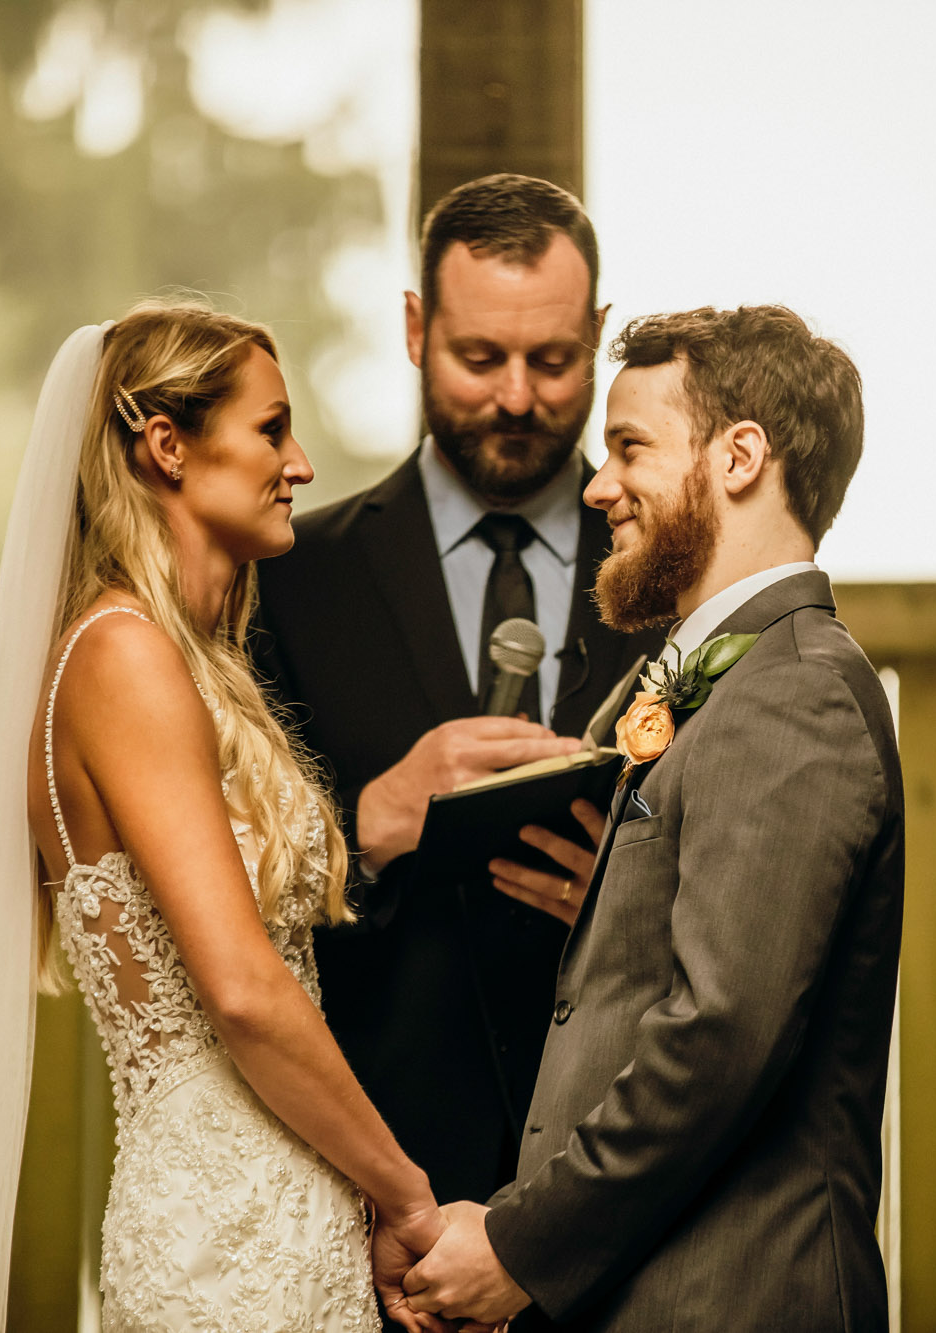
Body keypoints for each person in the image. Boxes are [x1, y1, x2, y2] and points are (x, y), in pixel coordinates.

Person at [0, 302, 444, 1333]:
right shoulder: (120, 657)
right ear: (166, 446)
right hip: (219, 1244)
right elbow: (245, 991)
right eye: (270, 429)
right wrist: (407, 1191)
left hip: (290, 1222)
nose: (299, 463)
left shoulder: (198, 665)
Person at [402, 305, 905, 1331]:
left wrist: (517, 1246)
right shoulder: (725, 684)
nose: (595, 487)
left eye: (628, 447)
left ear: (740, 456)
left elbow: (717, 1036)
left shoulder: (792, 694)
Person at [250, 175, 664, 1215]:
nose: (516, 397)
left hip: (625, 1202)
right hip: (373, 1197)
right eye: (479, 358)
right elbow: (224, 899)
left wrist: (634, 912)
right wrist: (365, 825)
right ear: (413, 327)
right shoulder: (295, 580)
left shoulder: (677, 580)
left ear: (598, 332)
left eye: (554, 360)